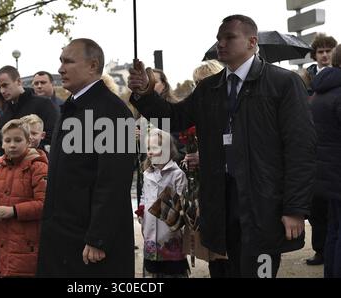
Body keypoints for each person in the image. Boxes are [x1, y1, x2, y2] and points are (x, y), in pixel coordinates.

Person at [128, 14, 316, 278]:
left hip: (262, 205)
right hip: (220, 203)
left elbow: (301, 149)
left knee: (257, 273)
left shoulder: (283, 83)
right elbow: (174, 119)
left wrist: (295, 209)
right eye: (218, 38)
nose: (221, 44)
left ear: (252, 42)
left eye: (229, 37)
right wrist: (145, 93)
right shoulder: (209, 88)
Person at [37, 38, 135, 277]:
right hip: (64, 235)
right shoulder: (73, 106)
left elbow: (113, 181)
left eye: (68, 61)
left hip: (88, 243)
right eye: (60, 61)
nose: (60, 69)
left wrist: (98, 238)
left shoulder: (112, 111)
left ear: (92, 66)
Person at [182, 60, 230, 278]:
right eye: (195, 84)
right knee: (213, 259)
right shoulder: (201, 111)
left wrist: (205, 157)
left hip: (229, 196)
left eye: (201, 82)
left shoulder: (231, 109)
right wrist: (189, 161)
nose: (198, 88)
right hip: (206, 195)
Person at [0, 119, 48, 277]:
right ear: (2, 144)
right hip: (4, 247)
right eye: (8, 140)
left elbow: (45, 204)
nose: (12, 145)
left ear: (28, 142)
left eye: (18, 140)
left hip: (29, 246)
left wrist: (13, 211)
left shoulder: (38, 167)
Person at [137, 128, 189, 277]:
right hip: (149, 233)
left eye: (154, 148)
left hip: (170, 235)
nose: (150, 152)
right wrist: (142, 211)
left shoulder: (177, 174)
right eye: (148, 148)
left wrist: (162, 204)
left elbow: (181, 206)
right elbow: (143, 195)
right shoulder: (147, 174)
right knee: (152, 268)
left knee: (172, 270)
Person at [305, 36, 338, 266]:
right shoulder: (308, 79)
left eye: (329, 51)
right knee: (320, 214)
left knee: (333, 218)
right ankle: (321, 251)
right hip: (320, 158)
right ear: (315, 55)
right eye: (321, 51)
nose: (325, 55)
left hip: (324, 160)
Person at [0, 66, 59, 148]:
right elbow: (1, 143)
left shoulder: (44, 104)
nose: (2, 91)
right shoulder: (5, 113)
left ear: (18, 81)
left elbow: (54, 136)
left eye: (5, 85)